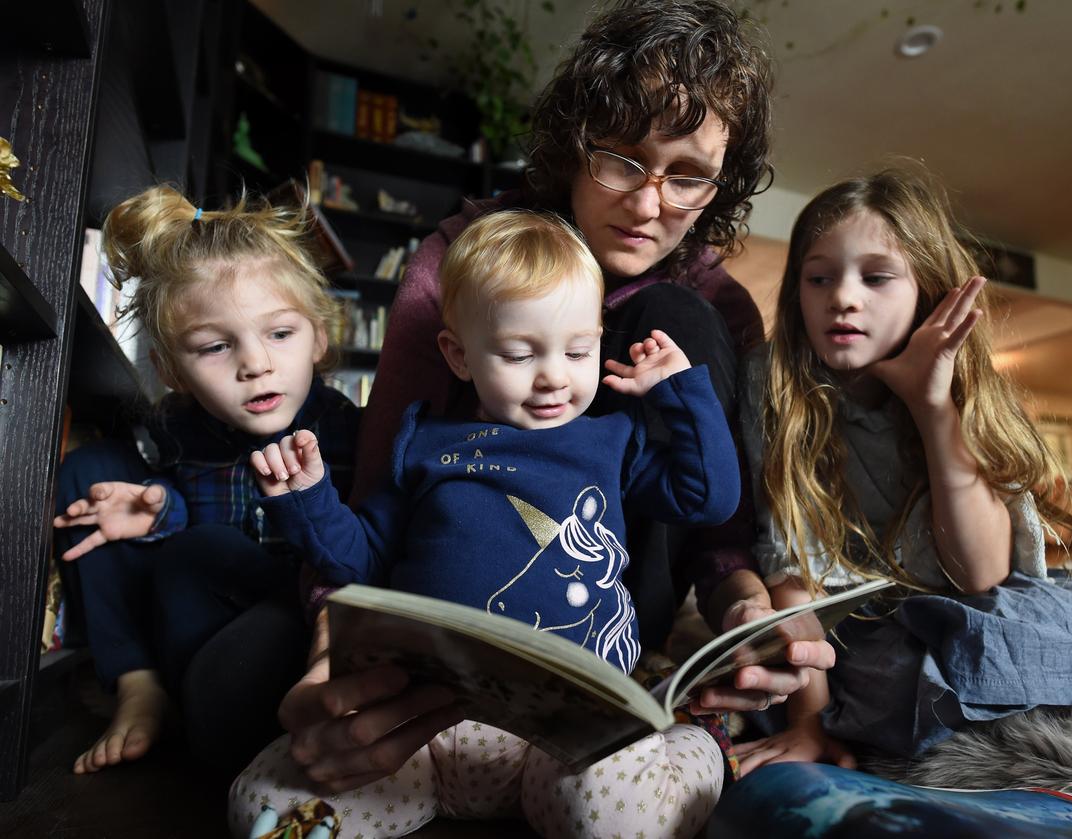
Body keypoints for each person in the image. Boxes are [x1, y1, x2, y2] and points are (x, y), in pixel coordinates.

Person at [275, 0, 837, 797]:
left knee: (679, 316)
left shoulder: (715, 305)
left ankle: (639, 704)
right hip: (455, 587)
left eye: (687, 177)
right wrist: (331, 667)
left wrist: (746, 607)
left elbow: (717, 519)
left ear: (720, 185)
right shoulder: (464, 263)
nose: (648, 205)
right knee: (232, 692)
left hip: (607, 583)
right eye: (620, 160)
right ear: (573, 146)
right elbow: (380, 500)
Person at [230, 209, 742, 838]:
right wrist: (307, 496)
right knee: (263, 803)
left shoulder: (612, 439)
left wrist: (679, 391)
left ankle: (700, 750)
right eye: (518, 353)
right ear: (460, 355)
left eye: (578, 350)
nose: (554, 375)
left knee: (618, 818)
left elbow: (710, 498)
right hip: (428, 728)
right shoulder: (424, 443)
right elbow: (361, 563)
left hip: (565, 742)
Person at [728, 162, 1072, 789]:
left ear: (927, 290)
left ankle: (982, 687)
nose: (843, 297)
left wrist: (932, 407)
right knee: (894, 675)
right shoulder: (772, 381)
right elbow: (795, 577)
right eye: (819, 278)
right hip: (866, 627)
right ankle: (977, 692)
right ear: (797, 292)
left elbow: (981, 576)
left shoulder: (964, 386)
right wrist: (809, 724)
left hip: (982, 607)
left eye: (876, 277)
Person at [52, 185, 359, 775]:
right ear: (173, 370)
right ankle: (138, 685)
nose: (255, 364)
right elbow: (184, 520)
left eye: (279, 334)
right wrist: (157, 509)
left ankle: (217, 715)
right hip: (193, 613)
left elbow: (353, 556)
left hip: (301, 619)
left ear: (319, 336)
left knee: (210, 558)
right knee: (94, 472)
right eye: (216, 346)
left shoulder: (349, 431)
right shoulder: (178, 427)